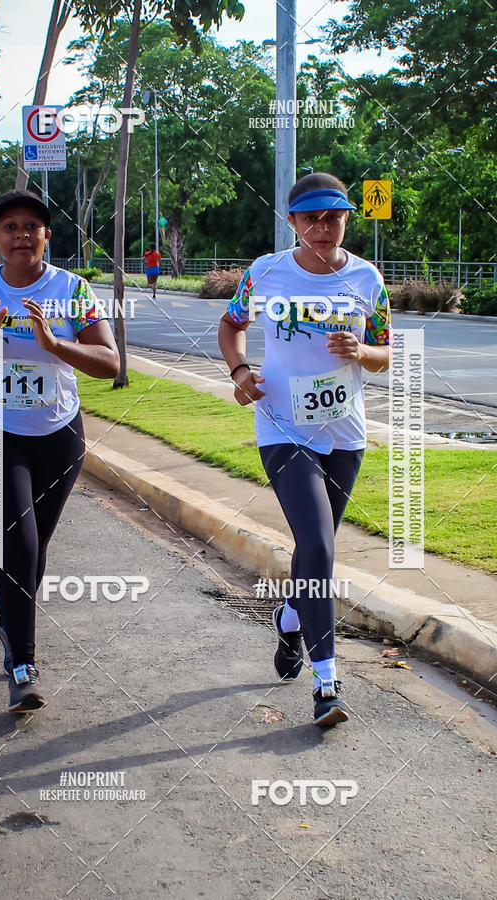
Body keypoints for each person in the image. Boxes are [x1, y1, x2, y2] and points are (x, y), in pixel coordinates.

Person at [0, 189, 120, 712]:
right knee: (18, 543)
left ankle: (9, 621)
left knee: (32, 552)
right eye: (9, 227)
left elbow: (108, 361)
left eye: (31, 227)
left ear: (46, 237)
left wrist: (55, 344)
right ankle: (23, 664)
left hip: (58, 435)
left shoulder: (72, 290)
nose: (21, 236)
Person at [217, 172, 392, 727]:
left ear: (347, 219)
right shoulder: (265, 273)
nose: (323, 227)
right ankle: (327, 682)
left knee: (314, 554)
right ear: (292, 222)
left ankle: (291, 616)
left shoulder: (367, 277)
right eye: (311, 217)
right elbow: (230, 324)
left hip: (345, 433)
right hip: (283, 428)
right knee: (317, 545)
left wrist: (361, 351)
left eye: (334, 217)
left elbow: (388, 352)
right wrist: (241, 369)